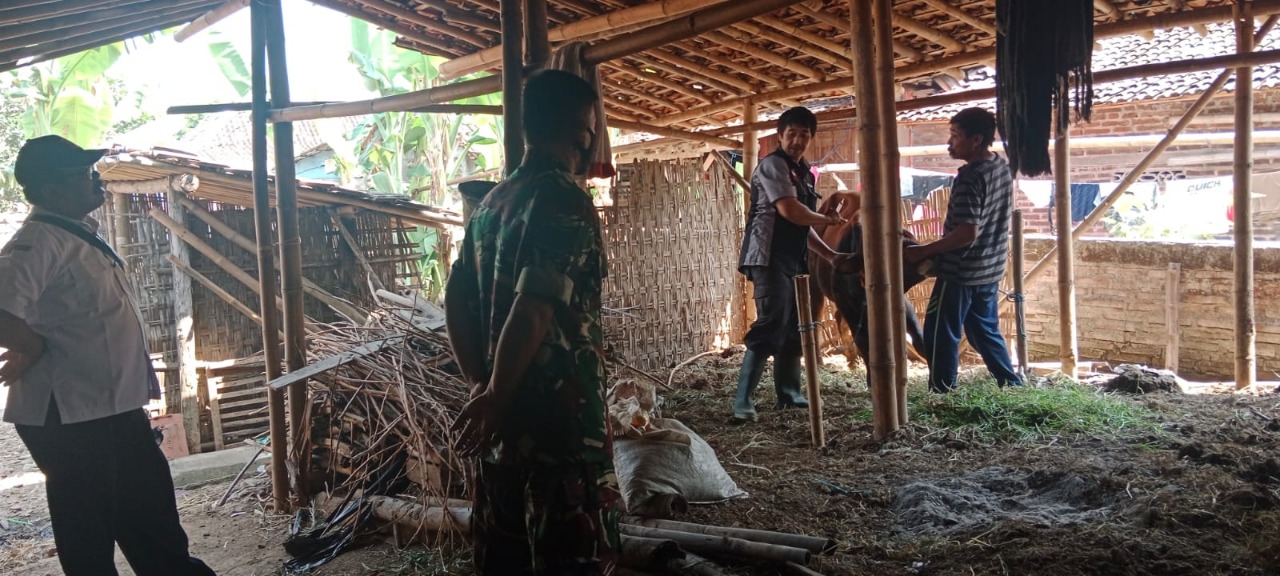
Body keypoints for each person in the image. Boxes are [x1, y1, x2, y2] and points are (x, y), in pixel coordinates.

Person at [0, 135, 216, 576]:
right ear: (48, 192)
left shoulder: (75, 234)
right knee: (89, 533)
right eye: (80, 175)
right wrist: (33, 345)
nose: (94, 180)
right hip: (70, 415)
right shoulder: (37, 242)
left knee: (149, 511)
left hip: (109, 406)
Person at [446, 69, 619, 576]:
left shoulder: (491, 205)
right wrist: (496, 395)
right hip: (560, 432)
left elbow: (455, 296)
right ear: (579, 131)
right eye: (591, 129)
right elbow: (536, 305)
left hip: (502, 437)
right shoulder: (563, 198)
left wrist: (483, 386)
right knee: (573, 559)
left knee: (505, 558)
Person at [732, 107, 857, 422]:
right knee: (771, 323)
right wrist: (828, 218)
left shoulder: (801, 171)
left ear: (811, 138)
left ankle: (789, 393)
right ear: (780, 135)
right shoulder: (773, 165)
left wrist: (830, 255)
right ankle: (742, 403)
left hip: (793, 257)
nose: (798, 140)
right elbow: (790, 211)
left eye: (804, 134)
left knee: (795, 327)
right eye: (792, 133)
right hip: (768, 256)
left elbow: (804, 226)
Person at [904, 107, 1023, 392]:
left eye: (956, 136)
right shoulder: (1001, 166)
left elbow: (966, 234)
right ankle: (1012, 383)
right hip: (990, 268)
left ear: (976, 139)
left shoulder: (971, 177)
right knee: (984, 329)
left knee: (939, 332)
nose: (950, 142)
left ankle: (942, 390)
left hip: (962, 271)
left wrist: (923, 252)